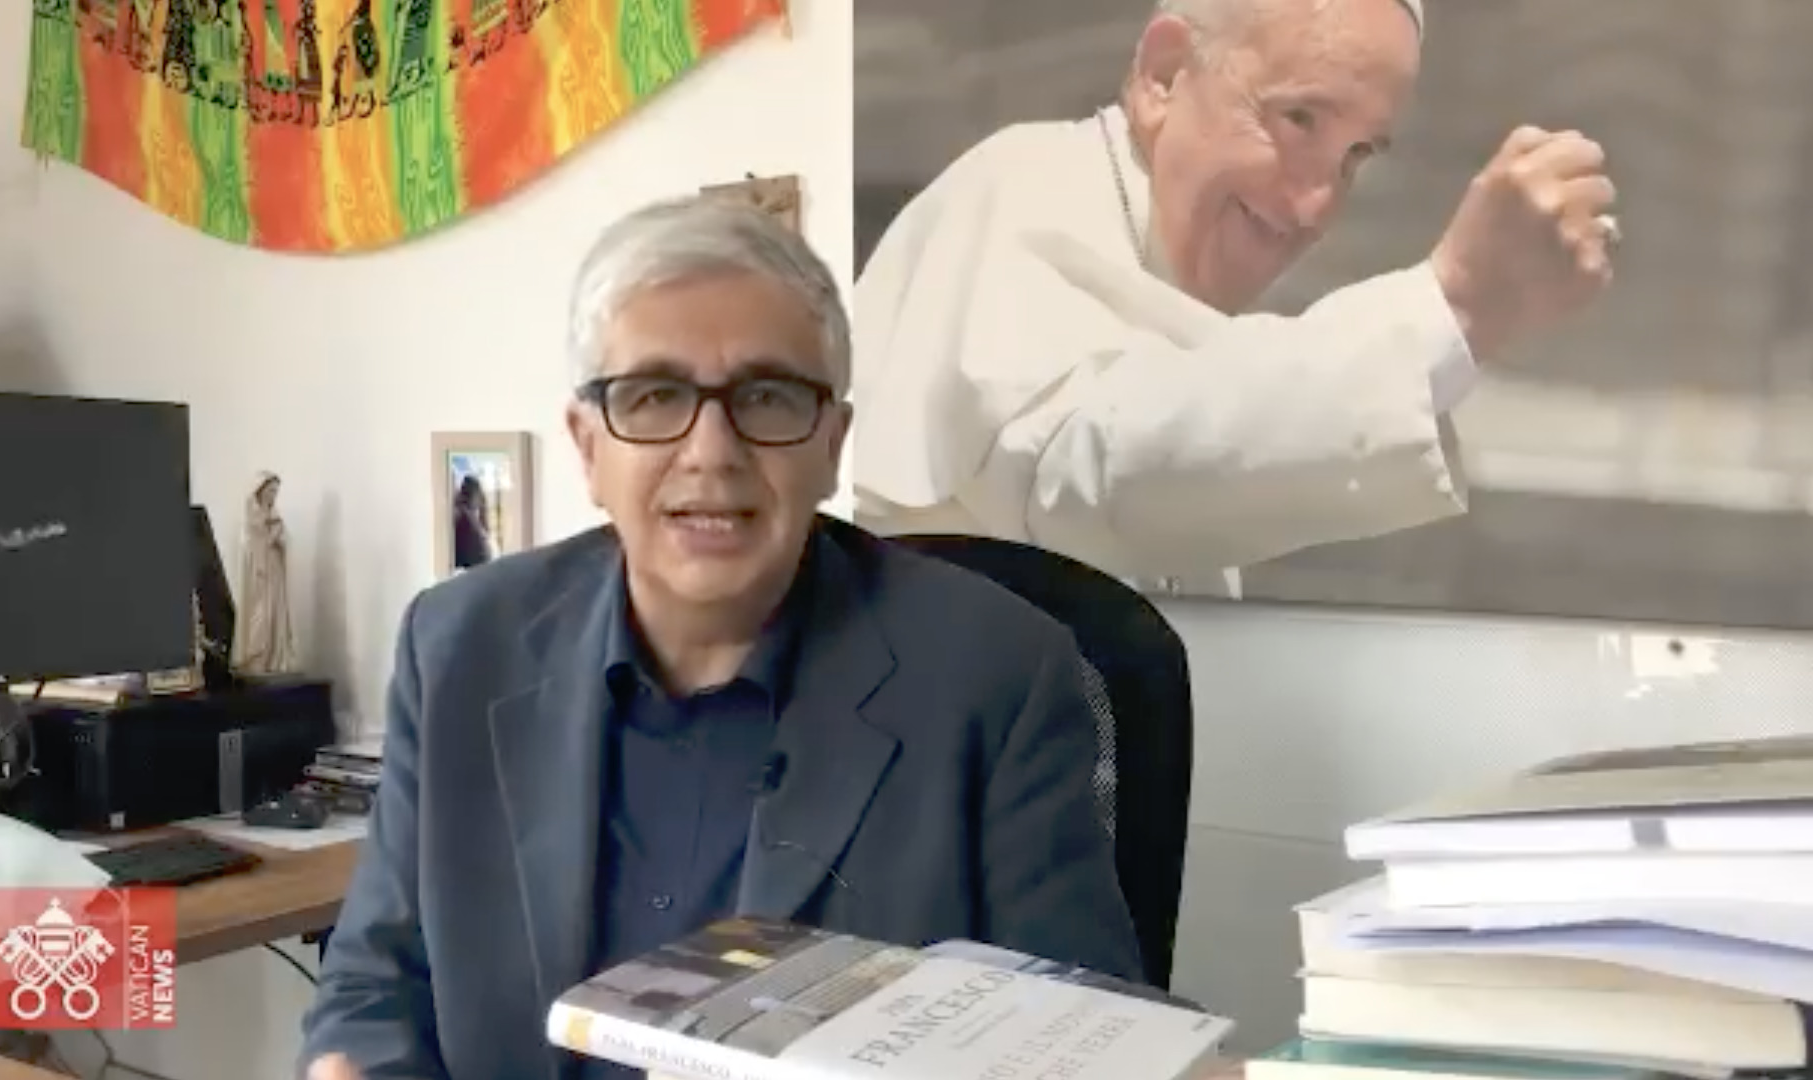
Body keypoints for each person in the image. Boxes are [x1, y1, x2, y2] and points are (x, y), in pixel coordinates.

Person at [298, 198, 1142, 1080]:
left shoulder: (998, 674)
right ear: (588, 448)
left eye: (766, 397)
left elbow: (1085, 1041)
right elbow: (373, 985)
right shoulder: (459, 647)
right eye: (655, 395)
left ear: (831, 445)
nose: (710, 451)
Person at [852, 0, 1620, 596]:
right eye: (1299, 120)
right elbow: (1084, 469)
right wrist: (1451, 305)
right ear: (1164, 76)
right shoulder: (1025, 184)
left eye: (1355, 155)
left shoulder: (1187, 302)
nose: (1315, 207)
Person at [234, 471, 299, 675]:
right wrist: (269, 538)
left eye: (275, 492)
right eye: (270, 491)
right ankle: (257, 657)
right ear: (260, 491)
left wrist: (279, 538)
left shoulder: (275, 516)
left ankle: (274, 657)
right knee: (259, 615)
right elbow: (250, 547)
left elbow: (284, 542)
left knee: (275, 614)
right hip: (259, 574)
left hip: (274, 571)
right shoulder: (251, 518)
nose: (273, 496)